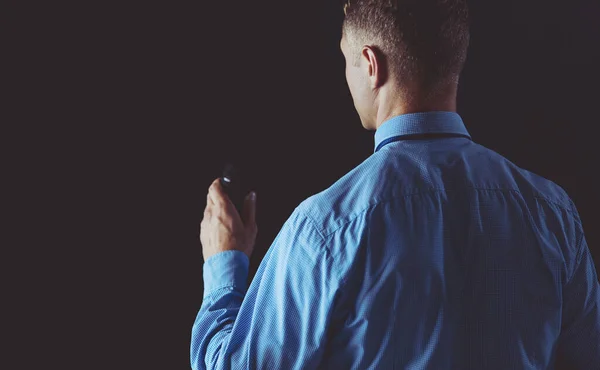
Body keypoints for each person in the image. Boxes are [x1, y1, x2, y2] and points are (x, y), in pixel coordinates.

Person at [191, 0, 600, 368]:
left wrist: (224, 263)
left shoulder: (325, 230)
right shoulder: (553, 214)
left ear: (371, 65)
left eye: (347, 60)